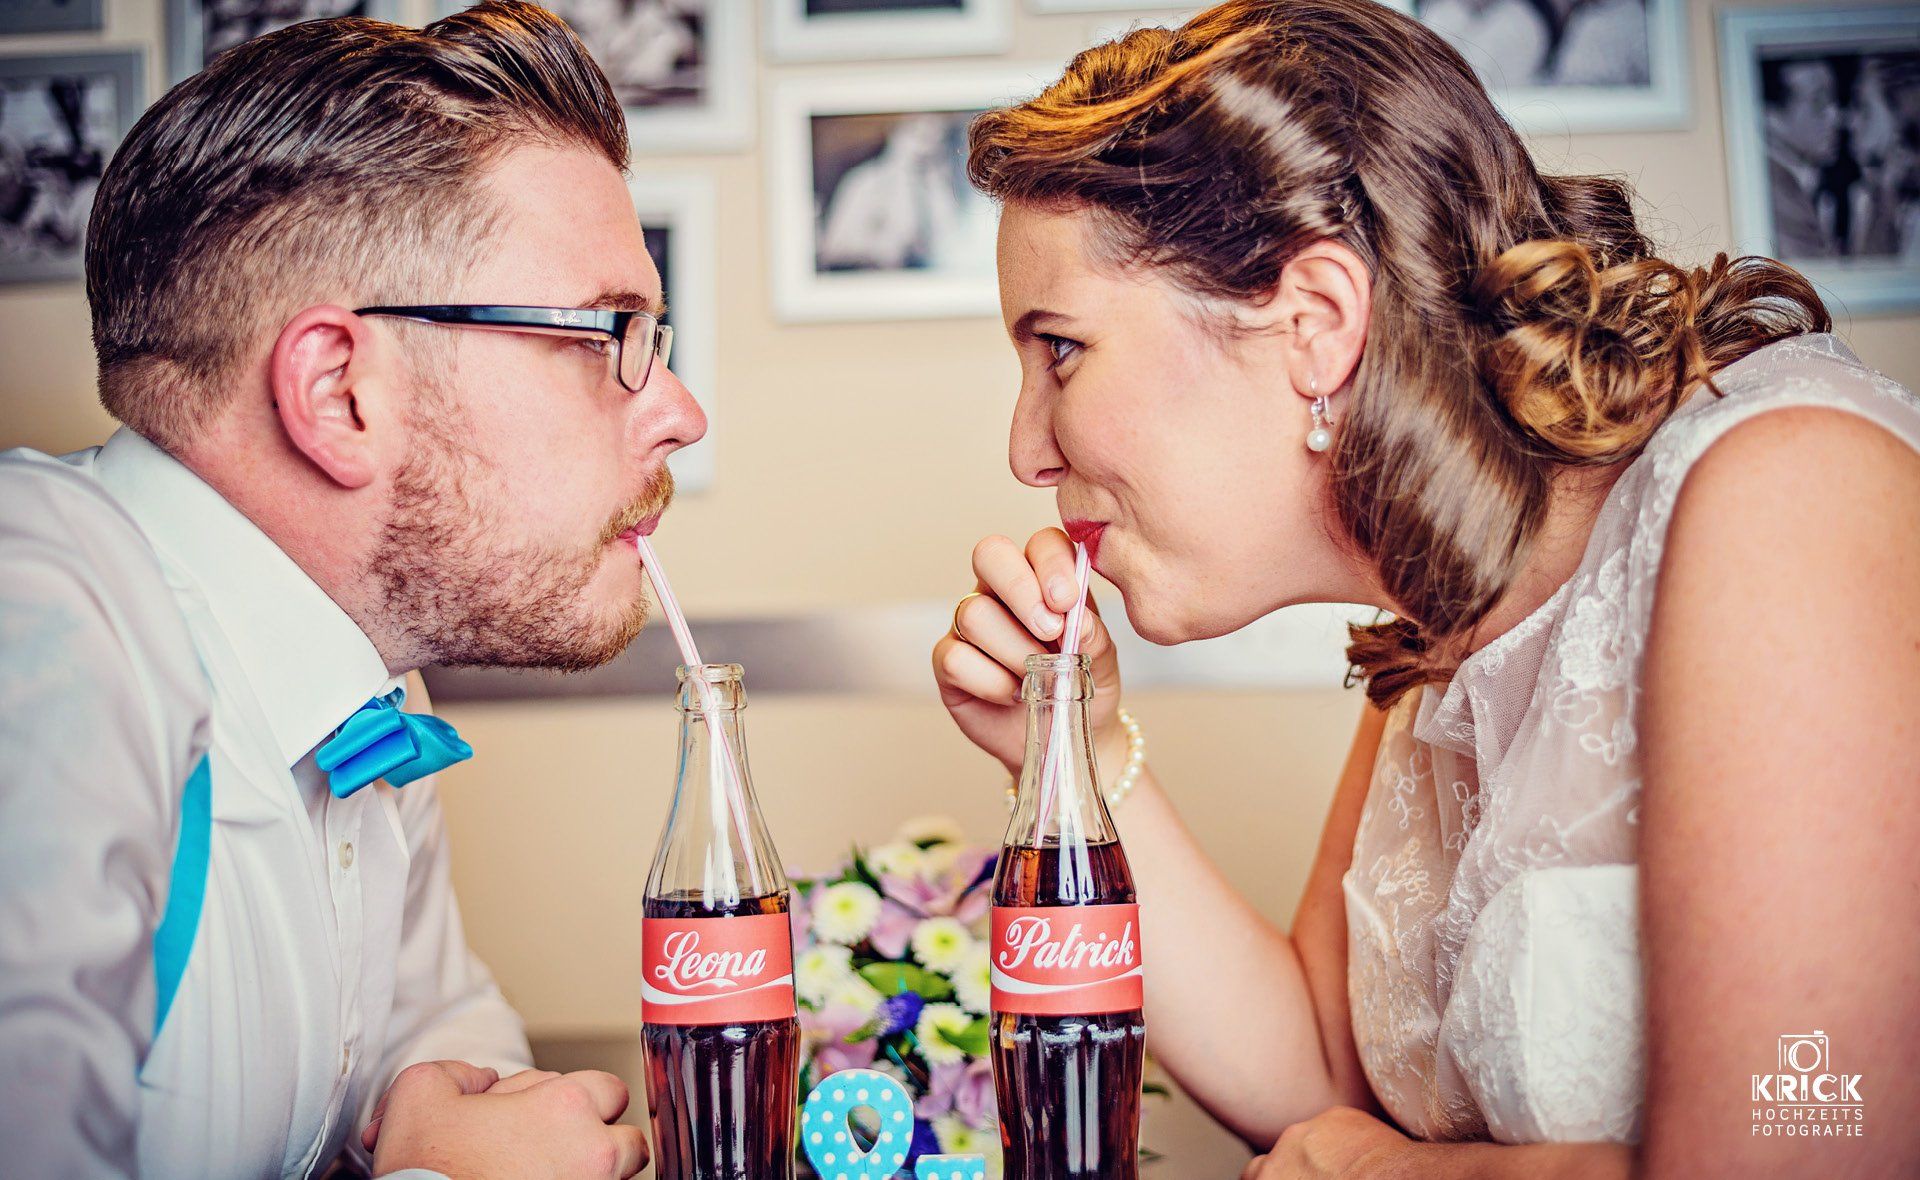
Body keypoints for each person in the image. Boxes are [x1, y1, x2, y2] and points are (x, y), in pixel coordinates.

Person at [933, 2, 1920, 1177]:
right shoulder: (1445, 616)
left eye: (1061, 350)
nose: (1025, 449)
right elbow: (1315, 1066)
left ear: (1315, 323)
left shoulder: (1786, 494)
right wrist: (1078, 750)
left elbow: (1815, 1150)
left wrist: (1391, 1173)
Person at [0, 3, 705, 1176]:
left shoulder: (362, 680)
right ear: (338, 394)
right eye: (608, 332)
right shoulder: (40, 626)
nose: (679, 410)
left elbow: (442, 1053)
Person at [1761, 56, 1846, 260]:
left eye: (1835, 101)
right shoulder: (1770, 191)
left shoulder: (1820, 184)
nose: (1836, 116)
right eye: (1819, 103)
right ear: (1772, 117)